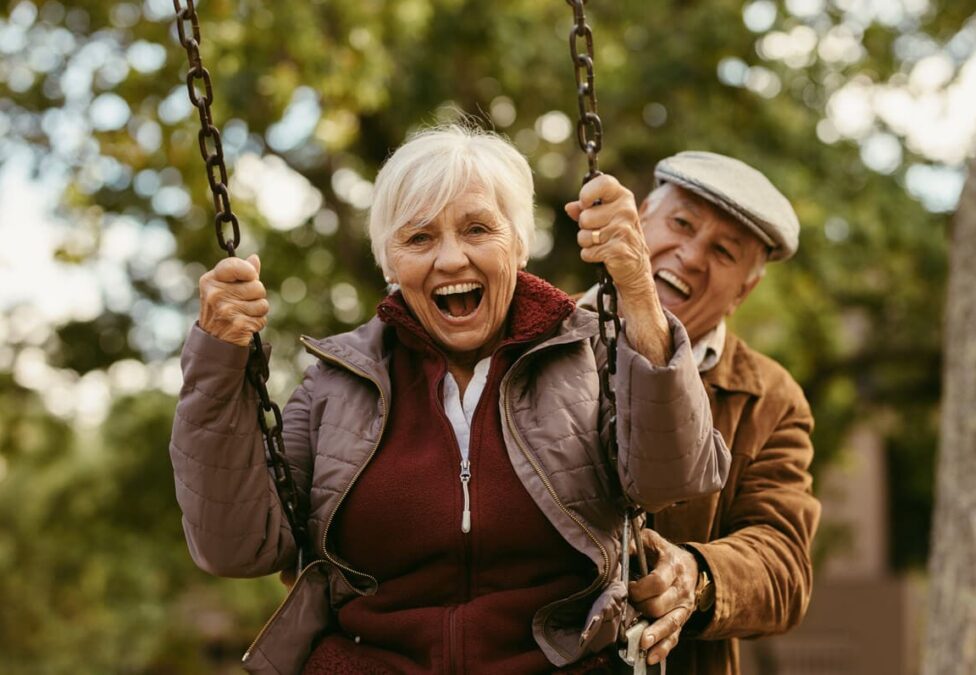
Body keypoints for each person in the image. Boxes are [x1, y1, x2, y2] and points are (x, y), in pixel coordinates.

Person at [169, 126, 730, 675]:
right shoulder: (333, 386)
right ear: (390, 263)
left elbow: (673, 480)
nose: (450, 259)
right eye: (419, 238)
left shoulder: (590, 356)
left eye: (478, 229)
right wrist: (218, 358)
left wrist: (636, 292)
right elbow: (236, 549)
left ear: (519, 243)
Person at [570, 151, 821, 674]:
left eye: (724, 252)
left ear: (744, 291)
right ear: (639, 218)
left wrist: (697, 573)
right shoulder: (534, 334)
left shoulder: (770, 399)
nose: (690, 255)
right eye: (681, 223)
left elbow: (784, 566)